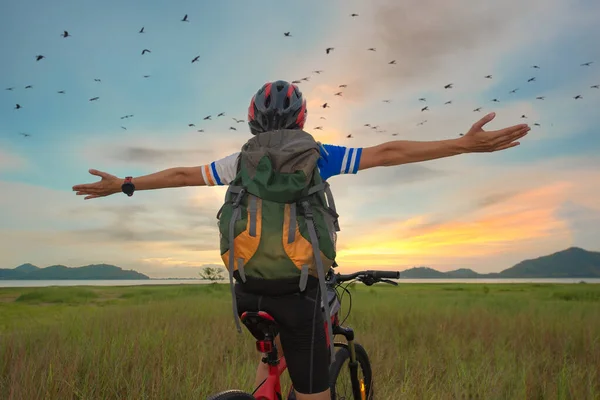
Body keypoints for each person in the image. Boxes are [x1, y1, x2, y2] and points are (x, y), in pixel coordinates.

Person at [72, 80, 530, 400]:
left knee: (268, 361)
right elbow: (390, 152)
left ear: (253, 120)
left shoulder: (240, 162)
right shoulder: (320, 156)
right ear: (302, 117)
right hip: (301, 295)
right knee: (314, 391)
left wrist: (125, 183)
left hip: (247, 292)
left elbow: (180, 174)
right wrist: (461, 144)